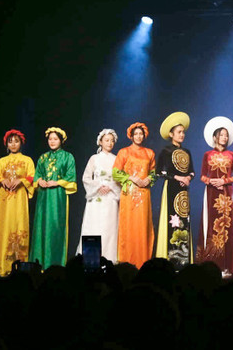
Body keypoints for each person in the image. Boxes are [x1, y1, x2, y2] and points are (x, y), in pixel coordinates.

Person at [198, 116, 233, 276]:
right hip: (211, 194)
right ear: (215, 136)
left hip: (226, 194)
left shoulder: (232, 155)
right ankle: (211, 265)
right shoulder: (207, 154)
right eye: (222, 134)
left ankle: (227, 266)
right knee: (211, 226)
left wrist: (224, 181)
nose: (225, 137)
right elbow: (202, 176)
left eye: (226, 135)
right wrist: (211, 181)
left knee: (226, 228)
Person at [29, 127, 77, 268]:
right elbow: (37, 175)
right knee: (41, 226)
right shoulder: (43, 157)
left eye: (55, 139)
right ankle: (39, 263)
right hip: (43, 197)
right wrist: (39, 181)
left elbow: (71, 176)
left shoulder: (68, 157)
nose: (52, 141)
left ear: (61, 140)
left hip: (58, 197)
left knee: (56, 227)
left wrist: (57, 182)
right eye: (50, 139)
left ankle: (55, 263)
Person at [0, 129, 34, 276]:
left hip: (19, 198)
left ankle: (19, 264)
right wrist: (3, 181)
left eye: (16, 141)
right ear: (6, 144)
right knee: (4, 226)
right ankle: (1, 263)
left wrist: (20, 180)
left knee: (18, 223)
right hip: (5, 199)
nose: (13, 144)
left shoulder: (27, 160)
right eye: (10, 141)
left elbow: (31, 176)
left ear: (21, 143)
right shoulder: (2, 161)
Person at [113, 122, 156, 268]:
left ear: (144, 135)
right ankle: (126, 261)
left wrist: (149, 179)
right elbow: (115, 172)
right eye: (136, 134)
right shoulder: (123, 152)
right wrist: (131, 178)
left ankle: (143, 261)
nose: (138, 136)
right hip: (129, 194)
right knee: (128, 225)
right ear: (131, 136)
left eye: (141, 134)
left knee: (143, 226)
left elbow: (153, 172)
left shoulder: (149, 153)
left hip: (144, 194)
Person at [155, 112, 195, 270]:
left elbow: (192, 171)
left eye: (183, 132)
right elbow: (159, 172)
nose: (182, 134)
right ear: (171, 134)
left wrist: (188, 178)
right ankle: (170, 261)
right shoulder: (165, 151)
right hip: (171, 189)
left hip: (184, 190)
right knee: (172, 222)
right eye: (179, 132)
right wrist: (178, 177)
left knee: (185, 222)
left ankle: (184, 262)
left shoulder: (187, 152)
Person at [76, 129, 121, 263]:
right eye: (107, 140)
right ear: (100, 142)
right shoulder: (94, 159)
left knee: (109, 228)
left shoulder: (116, 159)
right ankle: (89, 258)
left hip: (110, 199)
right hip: (96, 198)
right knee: (94, 226)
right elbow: (86, 178)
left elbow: (119, 179)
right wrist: (98, 186)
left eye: (112, 141)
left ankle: (109, 259)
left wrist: (111, 186)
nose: (110, 143)